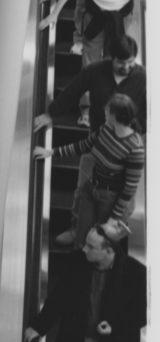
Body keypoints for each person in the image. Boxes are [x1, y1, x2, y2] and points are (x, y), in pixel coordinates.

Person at [34, 35, 145, 244]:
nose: (127, 67)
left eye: (131, 62)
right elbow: (73, 90)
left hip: (127, 146)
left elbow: (150, 112)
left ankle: (106, 242)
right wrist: (52, 114)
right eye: (122, 63)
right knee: (83, 188)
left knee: (124, 197)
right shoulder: (96, 72)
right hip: (98, 137)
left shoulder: (142, 78)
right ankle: (78, 229)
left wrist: (133, 134)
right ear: (111, 58)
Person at [34, 93, 144, 249]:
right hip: (91, 187)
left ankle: (95, 270)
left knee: (99, 243)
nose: (104, 112)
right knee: (81, 238)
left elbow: (129, 188)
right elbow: (84, 145)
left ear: (115, 116)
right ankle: (78, 251)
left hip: (110, 198)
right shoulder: (106, 129)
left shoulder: (135, 148)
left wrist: (114, 218)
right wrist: (51, 152)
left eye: (107, 111)